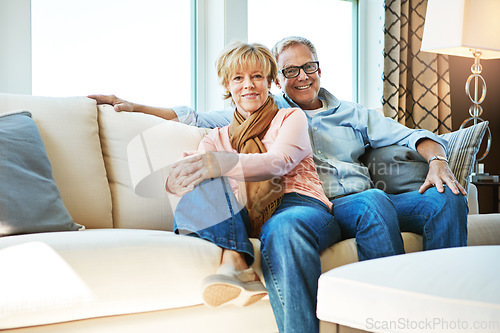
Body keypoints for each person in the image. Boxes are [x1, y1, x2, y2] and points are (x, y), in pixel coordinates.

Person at [89, 36, 468, 333]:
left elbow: (410, 135)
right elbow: (194, 116)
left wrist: (437, 160)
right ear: (279, 79)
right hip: (317, 204)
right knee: (314, 215)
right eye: (291, 70)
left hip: (345, 199)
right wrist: (135, 107)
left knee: (442, 198)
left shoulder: (343, 114)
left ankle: (445, 311)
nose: (302, 76)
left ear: (319, 68)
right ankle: (232, 258)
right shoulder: (258, 111)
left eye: (309, 66)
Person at [162, 41, 340, 330]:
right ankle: (235, 261)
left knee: (284, 228)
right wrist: (183, 175)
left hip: (299, 204)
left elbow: (279, 161)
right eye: (238, 78)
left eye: (257, 76)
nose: (249, 85)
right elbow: (190, 191)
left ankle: (234, 259)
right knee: (201, 187)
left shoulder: (289, 118)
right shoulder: (215, 138)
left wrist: (220, 164)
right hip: (243, 218)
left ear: (270, 81)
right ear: (227, 85)